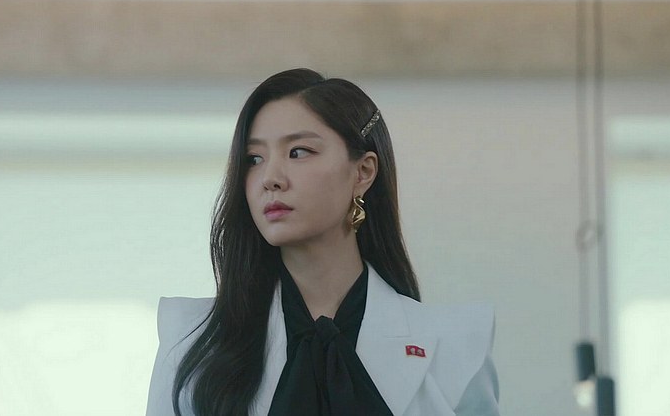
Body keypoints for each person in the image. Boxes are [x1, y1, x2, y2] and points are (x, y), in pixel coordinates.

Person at [146, 68, 499, 416]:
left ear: (363, 172)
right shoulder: (192, 339)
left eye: (298, 152)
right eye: (254, 159)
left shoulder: (456, 344)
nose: (270, 178)